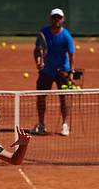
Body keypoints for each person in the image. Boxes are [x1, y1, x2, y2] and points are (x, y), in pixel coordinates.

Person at [32, 8, 76, 136]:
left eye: (59, 17)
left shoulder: (66, 36)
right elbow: (37, 50)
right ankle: (41, 124)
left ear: (62, 19)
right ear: (51, 18)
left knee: (64, 99)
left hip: (62, 72)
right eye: (54, 17)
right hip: (45, 72)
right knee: (41, 98)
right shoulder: (43, 33)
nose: (56, 19)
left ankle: (65, 125)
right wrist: (38, 61)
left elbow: (72, 55)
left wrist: (71, 73)